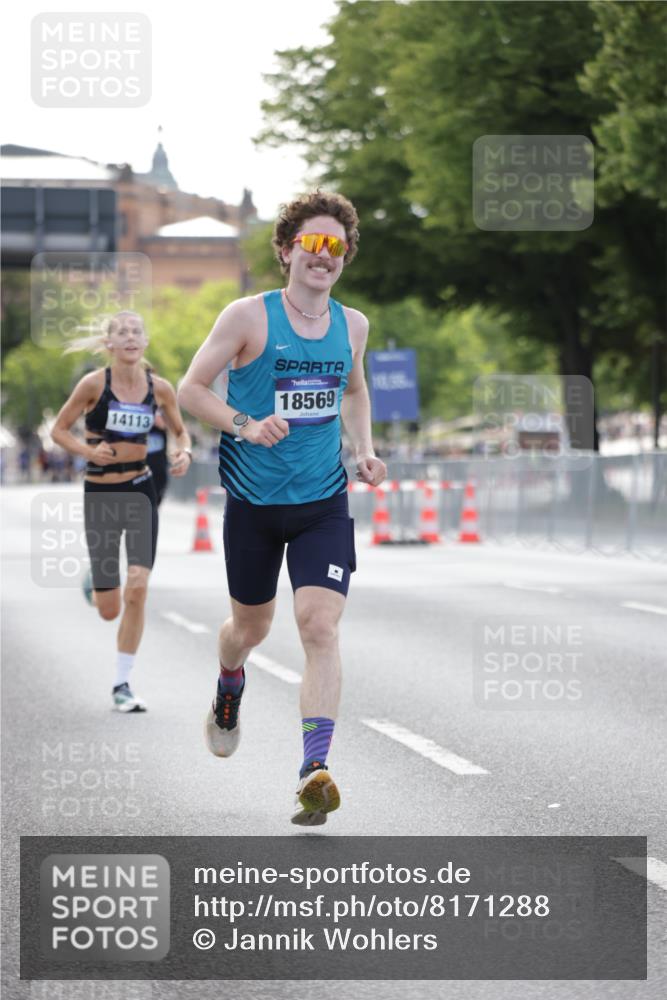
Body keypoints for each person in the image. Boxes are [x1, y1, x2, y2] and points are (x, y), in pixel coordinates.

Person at [178, 191, 386, 824]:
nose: (323, 257)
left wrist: (366, 450)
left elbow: (354, 389)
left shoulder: (353, 324)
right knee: (250, 630)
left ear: (345, 257)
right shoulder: (248, 317)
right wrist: (244, 422)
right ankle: (228, 682)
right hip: (254, 504)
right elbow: (190, 388)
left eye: (336, 247)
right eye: (312, 244)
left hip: (323, 501)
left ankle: (313, 770)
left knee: (320, 627)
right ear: (288, 249)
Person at [51, 310, 192, 712]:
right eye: (122, 332)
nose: (130, 338)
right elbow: (58, 430)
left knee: (138, 588)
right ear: (110, 344)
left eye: (136, 332)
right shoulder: (94, 384)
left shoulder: (159, 388)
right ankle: (96, 579)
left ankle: (122, 683)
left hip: (140, 489)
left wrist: (183, 452)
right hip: (101, 494)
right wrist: (86, 450)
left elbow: (180, 431)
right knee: (108, 609)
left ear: (144, 342)